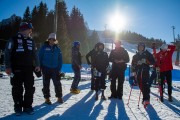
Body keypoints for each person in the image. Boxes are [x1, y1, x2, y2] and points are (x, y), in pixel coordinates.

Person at [4, 22, 40, 115]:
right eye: (29, 29)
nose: (31, 31)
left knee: (30, 88)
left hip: (28, 69)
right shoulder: (13, 39)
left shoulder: (31, 41)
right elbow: (7, 53)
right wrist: (7, 66)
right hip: (16, 69)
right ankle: (18, 107)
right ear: (24, 29)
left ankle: (28, 106)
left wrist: (37, 65)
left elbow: (35, 54)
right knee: (17, 88)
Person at [39, 33, 63, 105]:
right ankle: (47, 98)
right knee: (46, 84)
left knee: (57, 83)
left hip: (55, 69)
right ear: (48, 39)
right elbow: (40, 57)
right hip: (46, 68)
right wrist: (40, 67)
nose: (52, 40)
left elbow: (60, 59)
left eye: (53, 39)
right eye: (50, 39)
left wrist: (59, 68)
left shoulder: (58, 48)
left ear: (55, 40)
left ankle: (59, 97)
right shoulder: (43, 47)